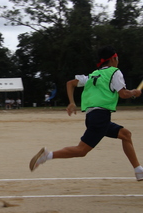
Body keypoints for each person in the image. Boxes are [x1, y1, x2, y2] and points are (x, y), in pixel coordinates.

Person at [29, 45, 143, 181]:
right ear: (113, 59)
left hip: (93, 117)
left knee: (125, 134)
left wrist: (72, 102)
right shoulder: (115, 72)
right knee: (81, 150)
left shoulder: (93, 75)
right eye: (117, 58)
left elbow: (70, 83)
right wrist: (134, 93)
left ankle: (138, 170)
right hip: (100, 117)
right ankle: (47, 155)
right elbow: (123, 94)